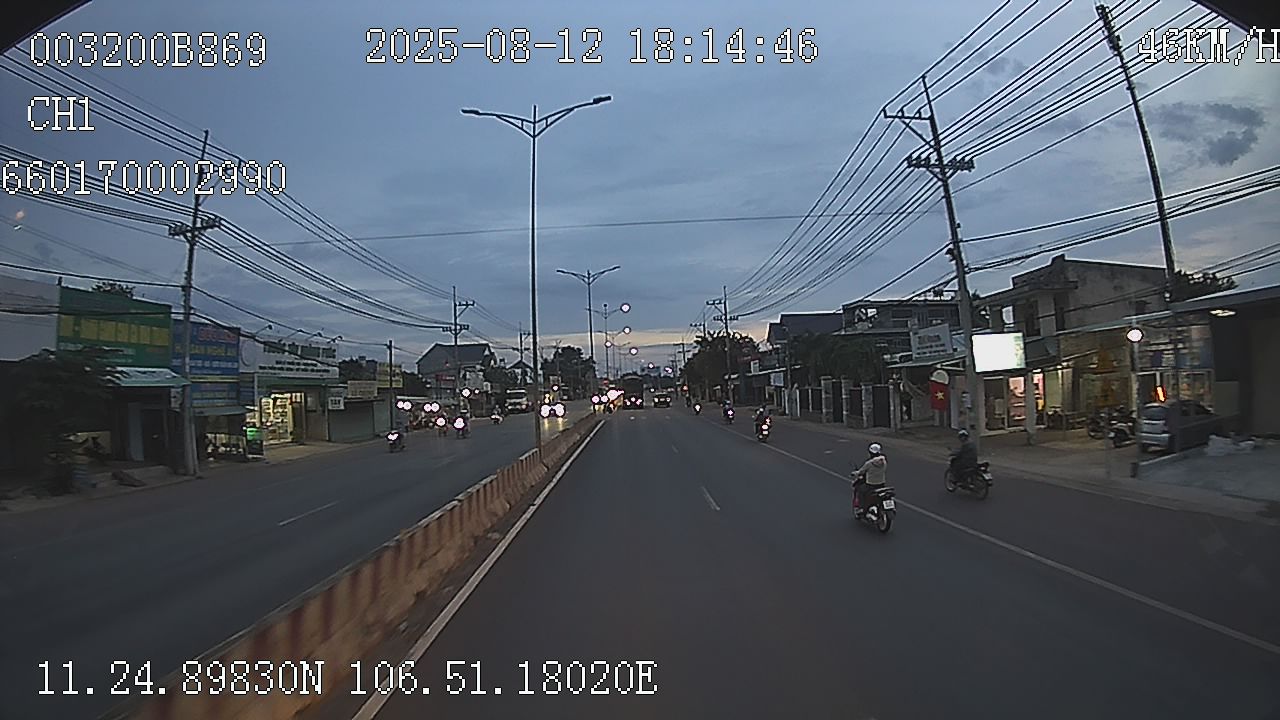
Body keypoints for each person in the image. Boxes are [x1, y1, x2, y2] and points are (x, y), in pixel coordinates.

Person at [852, 443, 887, 515]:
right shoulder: (884, 462)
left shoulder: (869, 463)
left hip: (871, 485)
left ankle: (861, 508)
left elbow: (861, 471)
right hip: (881, 484)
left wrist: (855, 473)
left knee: (860, 490)